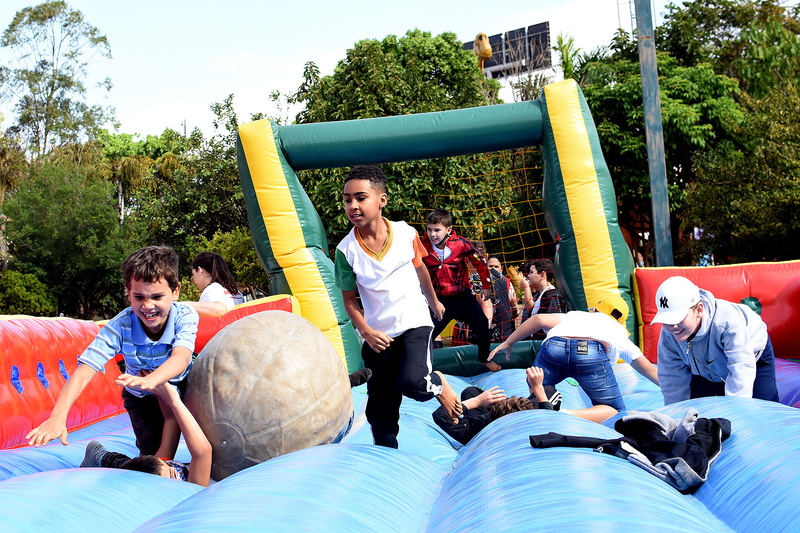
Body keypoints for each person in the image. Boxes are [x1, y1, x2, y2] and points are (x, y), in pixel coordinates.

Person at [27, 246, 200, 458]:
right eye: (139, 297)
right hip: (142, 398)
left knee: (203, 445)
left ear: (175, 291)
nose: (148, 306)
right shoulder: (121, 326)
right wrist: (58, 416)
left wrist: (153, 379)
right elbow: (84, 371)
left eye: (156, 296)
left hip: (182, 388)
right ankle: (104, 459)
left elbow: (181, 358)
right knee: (153, 458)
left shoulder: (184, 316)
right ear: (129, 294)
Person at [334, 165, 462, 448]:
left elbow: (420, 271)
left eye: (360, 197)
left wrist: (434, 301)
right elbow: (349, 300)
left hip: (414, 321)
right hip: (379, 335)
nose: (353, 206)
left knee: (413, 383)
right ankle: (387, 456)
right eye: (347, 199)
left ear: (382, 199)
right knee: (379, 413)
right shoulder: (346, 251)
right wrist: (366, 331)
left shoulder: (406, 233)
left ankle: (437, 383)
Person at [489, 295, 659, 411]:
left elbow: (539, 319)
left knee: (537, 389)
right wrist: (680, 389)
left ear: (595, 310)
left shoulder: (577, 316)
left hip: (554, 346)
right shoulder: (618, 332)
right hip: (591, 351)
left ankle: (539, 403)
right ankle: (565, 414)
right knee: (614, 410)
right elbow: (650, 370)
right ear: (621, 322)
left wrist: (509, 342)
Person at [650, 276, 780, 404]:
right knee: (696, 415)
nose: (672, 326)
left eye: (678, 317)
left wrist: (736, 413)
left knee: (764, 408)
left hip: (753, 356)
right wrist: (675, 416)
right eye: (666, 320)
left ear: (699, 310)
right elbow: (671, 380)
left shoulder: (727, 324)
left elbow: (741, 369)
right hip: (705, 369)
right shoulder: (669, 335)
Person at [80, 372, 212, 486]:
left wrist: (158, 384)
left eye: (171, 468)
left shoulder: (162, 466)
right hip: (139, 481)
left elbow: (171, 420)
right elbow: (203, 452)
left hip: (130, 468)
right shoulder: (191, 487)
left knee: (128, 465)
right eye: (172, 474)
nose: (176, 471)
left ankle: (101, 456)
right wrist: (174, 400)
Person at [432, 367, 617, 445]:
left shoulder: (475, 429)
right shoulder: (538, 417)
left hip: (490, 423)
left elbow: (440, 415)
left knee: (470, 394)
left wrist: (477, 402)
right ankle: (560, 411)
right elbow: (547, 417)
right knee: (548, 391)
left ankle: (480, 400)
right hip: (530, 415)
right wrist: (536, 387)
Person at [420, 208, 498, 372]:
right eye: (429, 229)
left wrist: (486, 285)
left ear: (448, 230)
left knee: (482, 323)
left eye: (437, 230)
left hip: (463, 297)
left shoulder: (461, 244)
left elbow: (480, 262)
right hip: (439, 300)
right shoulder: (422, 246)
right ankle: (420, 366)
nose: (433, 234)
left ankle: (484, 358)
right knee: (426, 333)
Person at [519, 259, 569, 340]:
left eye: (531, 272)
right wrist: (526, 288)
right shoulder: (542, 295)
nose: (528, 275)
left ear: (542, 275)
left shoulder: (552, 297)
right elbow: (530, 311)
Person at [486, 256, 518, 342]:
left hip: (504, 332)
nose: (493, 269)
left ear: (501, 268)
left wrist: (514, 307)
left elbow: (513, 315)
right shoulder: (481, 282)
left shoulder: (507, 283)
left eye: (496, 267)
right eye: (490, 267)